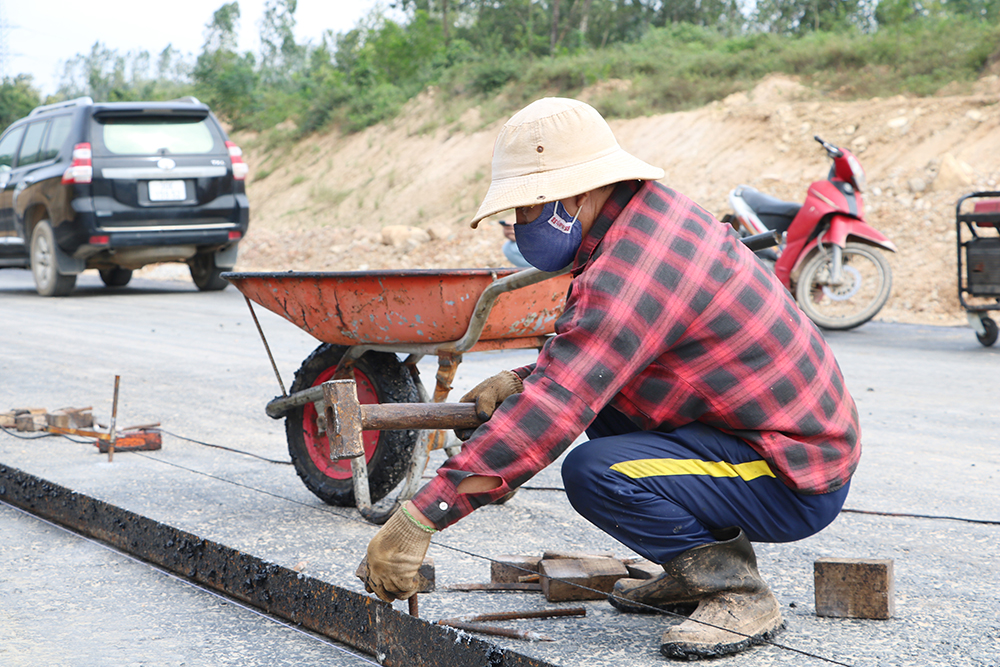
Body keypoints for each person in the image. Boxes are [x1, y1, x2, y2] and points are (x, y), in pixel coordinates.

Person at [358, 97, 860, 660]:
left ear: (574, 194)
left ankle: (736, 591)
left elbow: (559, 406)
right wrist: (524, 380)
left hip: (791, 472)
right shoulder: (644, 219)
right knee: (604, 417)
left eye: (527, 208)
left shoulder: (632, 266)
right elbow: (609, 362)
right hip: (754, 433)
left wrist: (420, 518)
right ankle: (694, 565)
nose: (521, 225)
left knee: (595, 470)